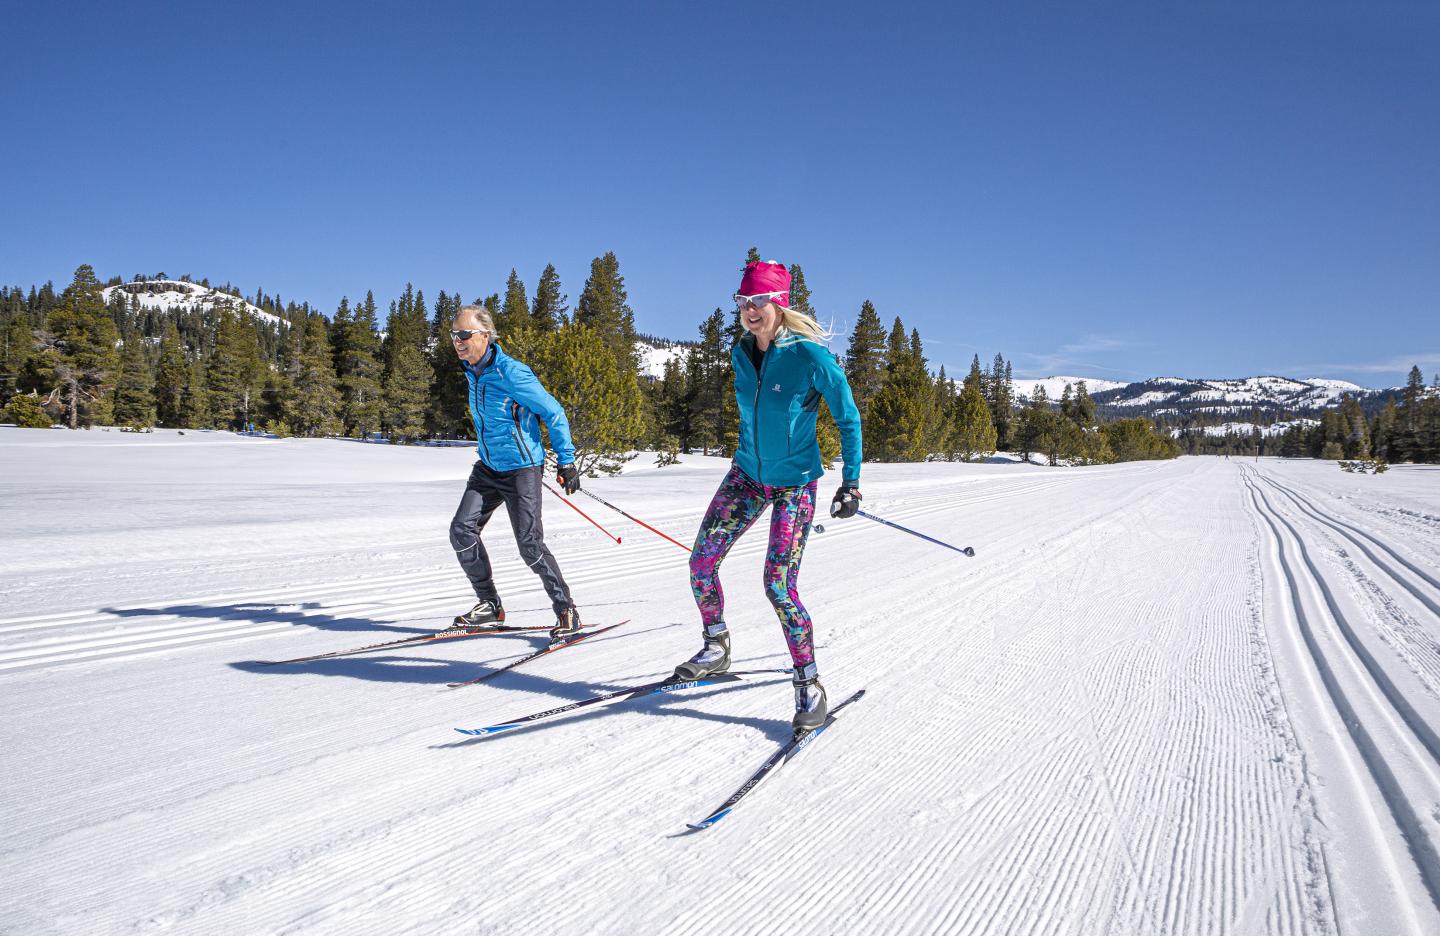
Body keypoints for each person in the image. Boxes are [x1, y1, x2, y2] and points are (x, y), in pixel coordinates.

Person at [673, 261, 864, 735]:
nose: (748, 310)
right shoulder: (740, 352)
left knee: (778, 586)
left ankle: (809, 684)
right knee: (700, 563)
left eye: (757, 301)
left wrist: (852, 483)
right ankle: (716, 646)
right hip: (747, 475)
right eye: (742, 301)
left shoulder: (811, 357)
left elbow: (849, 419)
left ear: (779, 303)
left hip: (795, 483)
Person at [447, 304, 584, 644]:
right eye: (454, 335)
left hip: (522, 470)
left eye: (464, 335)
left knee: (529, 544)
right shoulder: (472, 371)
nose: (458, 342)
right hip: (489, 468)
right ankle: (490, 606)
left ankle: (567, 611)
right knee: (461, 531)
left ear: (485, 335)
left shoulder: (511, 373)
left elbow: (553, 411)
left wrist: (566, 461)